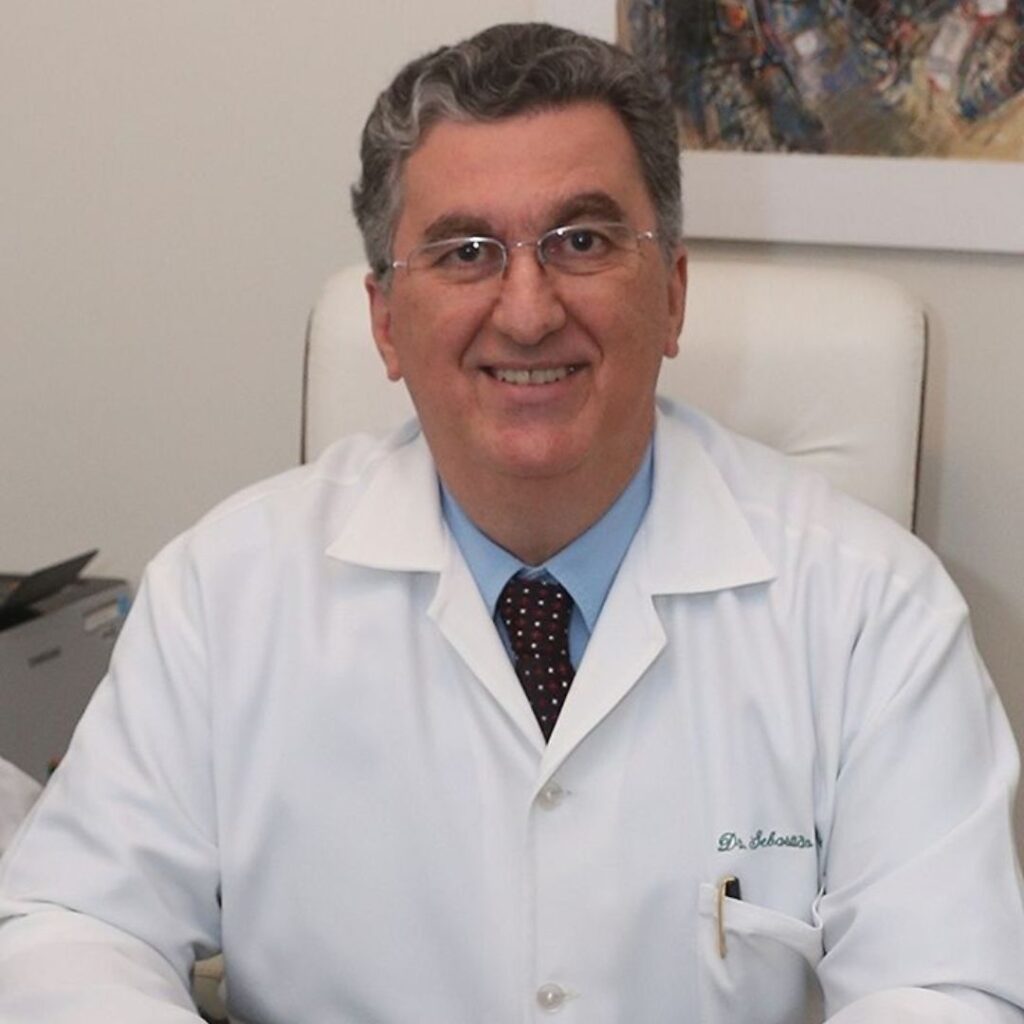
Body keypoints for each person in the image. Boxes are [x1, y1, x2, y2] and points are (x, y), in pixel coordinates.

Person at [1, 21, 1022, 1024]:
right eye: (466, 252)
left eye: (581, 241)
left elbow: (942, 985)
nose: (528, 311)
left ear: (671, 295)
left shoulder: (871, 608)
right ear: (385, 322)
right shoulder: (224, 594)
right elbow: (71, 922)